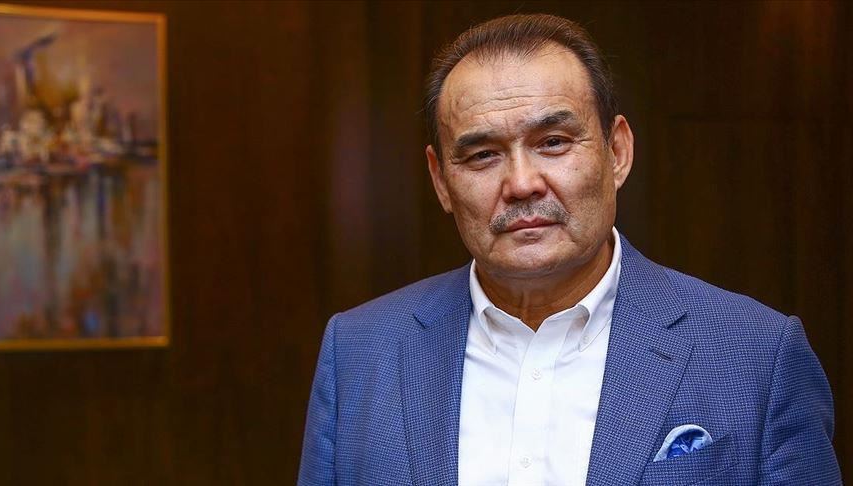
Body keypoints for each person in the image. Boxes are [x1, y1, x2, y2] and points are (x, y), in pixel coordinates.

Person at [298, 14, 840, 485]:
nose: (522, 183)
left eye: (553, 143)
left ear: (617, 152)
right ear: (441, 180)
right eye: (483, 155)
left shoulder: (757, 355)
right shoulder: (360, 353)